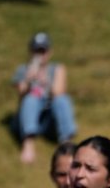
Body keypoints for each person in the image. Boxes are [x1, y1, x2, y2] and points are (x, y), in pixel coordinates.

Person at [12, 32, 78, 165]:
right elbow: (21, 93)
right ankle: (28, 143)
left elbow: (59, 92)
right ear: (31, 52)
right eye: (37, 50)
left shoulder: (57, 69)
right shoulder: (23, 70)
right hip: (28, 118)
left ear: (49, 52)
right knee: (31, 99)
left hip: (50, 120)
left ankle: (67, 145)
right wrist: (29, 79)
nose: (40, 54)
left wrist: (46, 80)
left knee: (62, 100)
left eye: (43, 50)